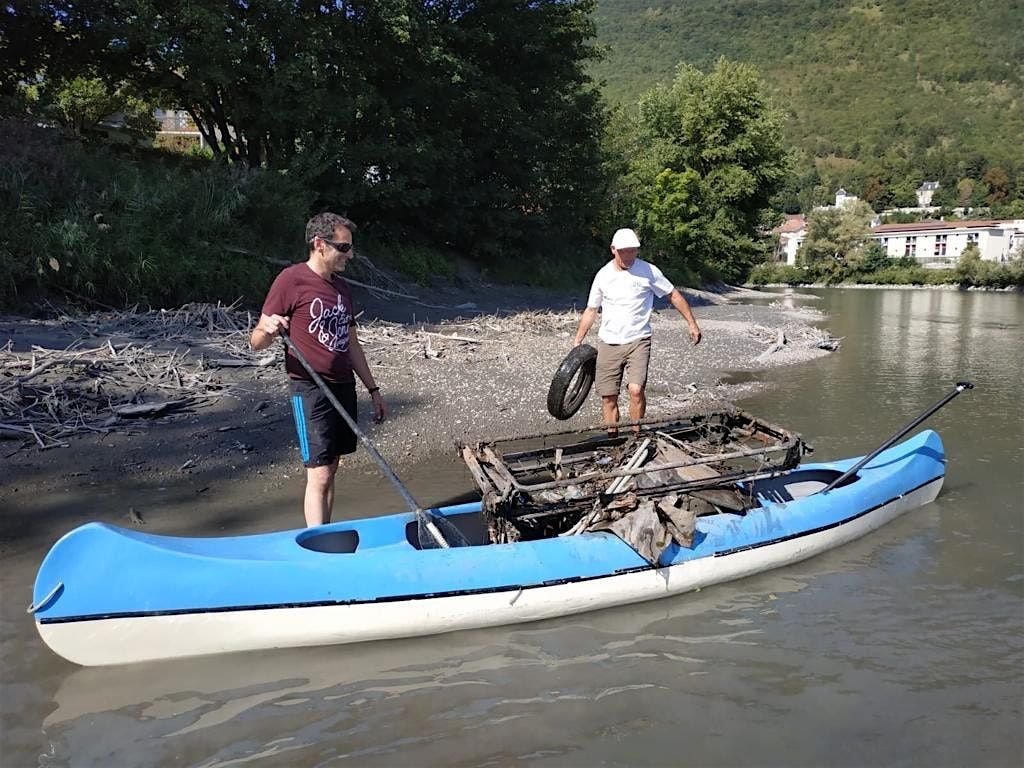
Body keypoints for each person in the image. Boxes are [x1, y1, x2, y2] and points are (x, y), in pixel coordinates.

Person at [250, 212, 387, 527]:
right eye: (343, 247)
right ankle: (318, 543)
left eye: (350, 247)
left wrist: (373, 389)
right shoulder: (291, 280)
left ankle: (326, 532)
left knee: (332, 468)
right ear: (319, 245)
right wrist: (268, 331)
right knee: (320, 471)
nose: (350, 254)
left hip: (342, 385)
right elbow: (255, 341)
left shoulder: (340, 288)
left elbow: (352, 343)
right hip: (310, 389)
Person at [572, 227, 702, 432]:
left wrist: (691, 323)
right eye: (624, 251)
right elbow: (591, 309)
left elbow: (673, 295)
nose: (629, 255)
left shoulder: (648, 271)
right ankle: (613, 438)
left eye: (633, 250)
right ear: (613, 249)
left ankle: (636, 433)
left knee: (636, 389)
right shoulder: (603, 275)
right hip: (608, 342)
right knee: (608, 397)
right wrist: (578, 341)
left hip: (639, 339)